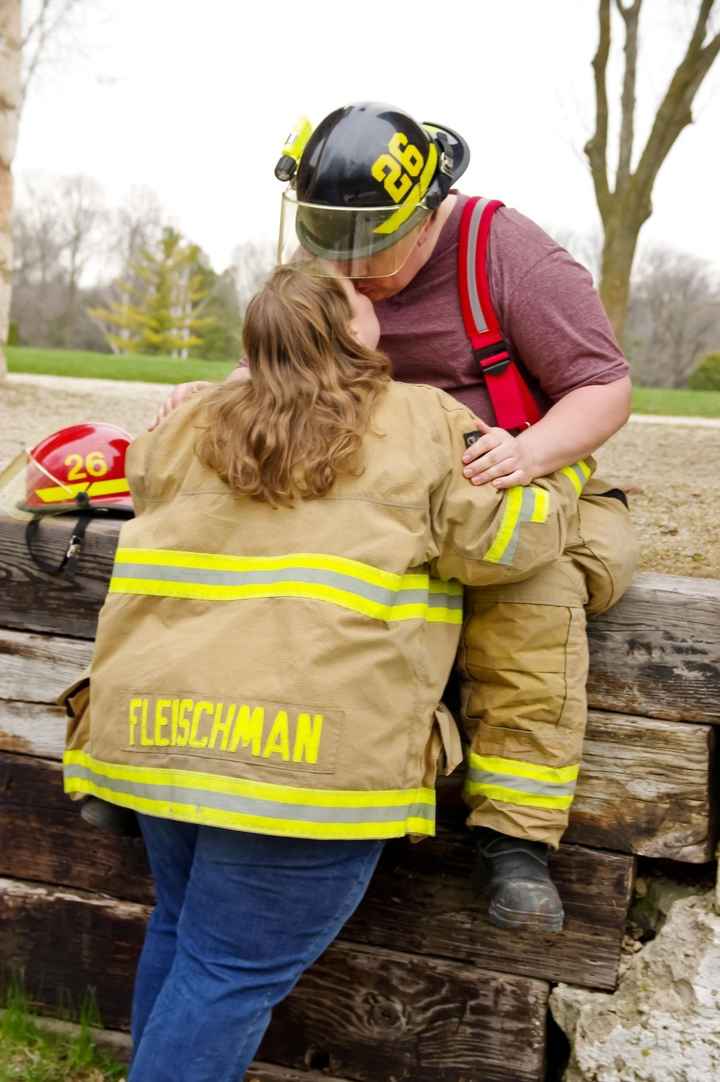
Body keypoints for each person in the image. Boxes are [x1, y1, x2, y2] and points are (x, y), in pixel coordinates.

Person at [61, 264, 591, 1082]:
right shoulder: (423, 423)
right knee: (228, 976)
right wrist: (568, 473)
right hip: (302, 760)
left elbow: (148, 485)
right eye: (360, 303)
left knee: (188, 940)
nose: (375, 300)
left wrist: (207, 392)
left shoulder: (192, 416)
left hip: (156, 736)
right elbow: (503, 542)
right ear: (348, 335)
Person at [151, 102, 639, 934]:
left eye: (374, 251)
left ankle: (514, 837)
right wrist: (218, 399)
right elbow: (286, 358)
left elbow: (605, 389)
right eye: (330, 245)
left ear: (426, 213)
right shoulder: (335, 244)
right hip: (375, 487)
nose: (351, 270)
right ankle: (157, 764)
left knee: (529, 585)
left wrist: (529, 453)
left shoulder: (508, 255)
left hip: (512, 483)